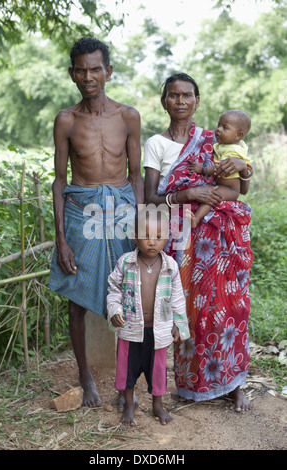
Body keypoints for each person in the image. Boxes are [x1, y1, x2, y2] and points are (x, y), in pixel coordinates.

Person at [144, 72, 254, 412]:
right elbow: (149, 197)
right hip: (179, 237)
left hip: (220, 240)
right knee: (188, 311)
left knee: (229, 306)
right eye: (173, 95)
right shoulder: (156, 145)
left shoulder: (214, 139)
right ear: (165, 101)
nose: (180, 101)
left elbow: (241, 189)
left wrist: (244, 167)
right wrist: (187, 193)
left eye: (187, 95)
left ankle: (234, 384)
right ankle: (193, 386)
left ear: (197, 100)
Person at [48, 37, 144, 408]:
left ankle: (127, 384)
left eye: (95, 69)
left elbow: (136, 176)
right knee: (76, 298)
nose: (89, 77)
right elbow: (59, 180)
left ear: (108, 72)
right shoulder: (66, 120)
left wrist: (139, 226)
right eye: (81, 70)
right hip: (82, 211)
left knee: (131, 294)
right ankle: (85, 376)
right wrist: (61, 240)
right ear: (72, 74)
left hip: (121, 210)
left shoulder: (128, 116)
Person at [107, 208, 190, 425]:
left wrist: (177, 324)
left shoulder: (170, 266)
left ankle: (157, 405)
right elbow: (113, 288)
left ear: (166, 238)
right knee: (127, 369)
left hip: (159, 330)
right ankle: (128, 405)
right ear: (135, 237)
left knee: (158, 371)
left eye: (158, 237)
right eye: (145, 236)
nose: (152, 242)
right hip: (130, 329)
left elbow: (178, 297)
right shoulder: (126, 262)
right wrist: (115, 311)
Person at [188, 109, 251, 227]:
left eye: (225, 128)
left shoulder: (232, 150)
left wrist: (202, 169)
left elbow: (219, 169)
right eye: (219, 125)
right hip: (226, 186)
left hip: (229, 189)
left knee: (210, 197)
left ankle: (196, 219)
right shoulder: (229, 144)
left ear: (239, 135)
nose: (218, 129)